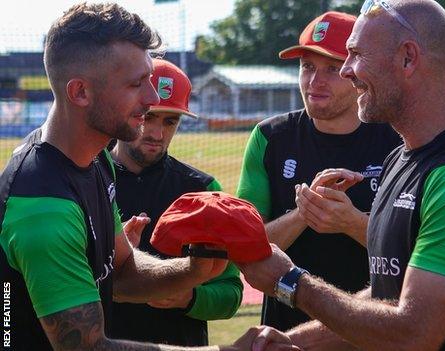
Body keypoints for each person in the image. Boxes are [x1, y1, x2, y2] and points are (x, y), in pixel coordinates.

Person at [239, 0, 445, 350]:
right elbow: (385, 300)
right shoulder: (403, 157)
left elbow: (412, 332)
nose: (347, 71)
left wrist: (290, 282)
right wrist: (292, 342)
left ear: (408, 58)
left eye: (355, 55)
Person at [0, 3, 295, 350]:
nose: (152, 97)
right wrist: (227, 350)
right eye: (136, 84)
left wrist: (192, 272)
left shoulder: (95, 160)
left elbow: (122, 271)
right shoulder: (44, 209)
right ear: (80, 92)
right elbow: (88, 347)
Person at [236, 11, 402, 331]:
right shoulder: (270, 138)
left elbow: (418, 253)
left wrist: (352, 222)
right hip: (285, 334)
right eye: (307, 66)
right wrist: (304, 213)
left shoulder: (397, 141)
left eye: (332, 68)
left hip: (374, 331)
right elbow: (248, 249)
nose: (315, 81)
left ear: (358, 70)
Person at [109, 58, 243, 346]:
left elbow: (231, 292)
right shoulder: (84, 179)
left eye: (170, 121)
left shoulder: (203, 190)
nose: (157, 134)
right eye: (148, 117)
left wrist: (190, 297)